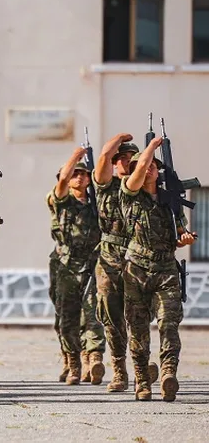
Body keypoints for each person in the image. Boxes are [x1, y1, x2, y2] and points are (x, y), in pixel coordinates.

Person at [121, 139, 196, 402]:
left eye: (154, 166)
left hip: (166, 270)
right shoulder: (129, 193)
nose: (149, 168)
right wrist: (153, 145)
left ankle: (167, 373)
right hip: (137, 271)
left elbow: (179, 234)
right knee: (138, 327)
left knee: (169, 323)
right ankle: (142, 380)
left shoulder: (170, 200)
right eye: (144, 166)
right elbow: (140, 167)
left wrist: (185, 240)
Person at [92, 135, 159, 391]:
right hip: (110, 259)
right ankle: (119, 371)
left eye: (131, 158)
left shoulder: (143, 189)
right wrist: (119, 138)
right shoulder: (106, 186)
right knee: (111, 316)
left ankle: (142, 364)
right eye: (121, 158)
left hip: (139, 259)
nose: (125, 161)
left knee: (139, 316)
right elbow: (103, 157)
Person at [49, 149, 105, 385]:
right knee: (67, 316)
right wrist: (77, 154)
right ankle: (73, 362)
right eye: (76, 174)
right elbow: (63, 178)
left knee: (93, 312)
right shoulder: (60, 200)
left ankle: (94, 357)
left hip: (93, 262)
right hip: (66, 265)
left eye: (84, 174)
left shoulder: (96, 203)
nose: (80, 177)